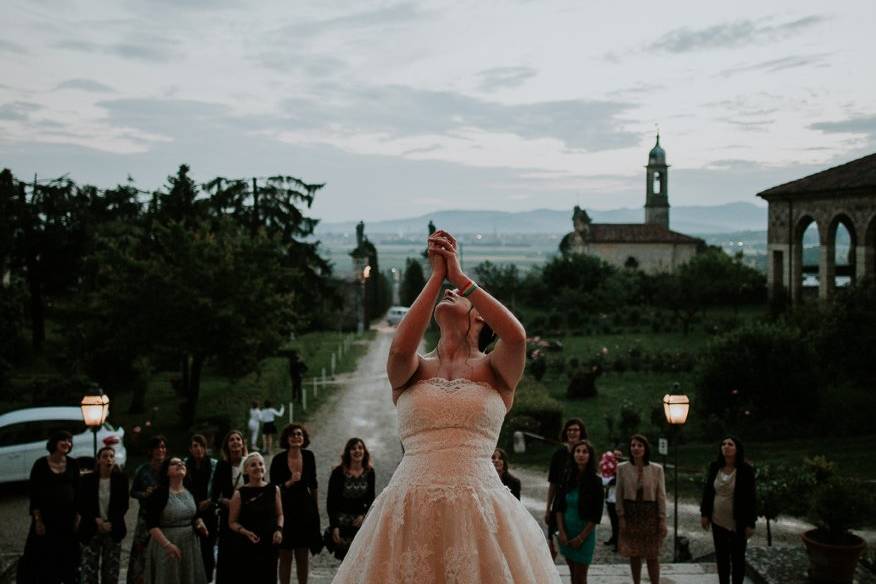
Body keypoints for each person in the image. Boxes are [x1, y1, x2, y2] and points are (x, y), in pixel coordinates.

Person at [331, 229, 561, 583]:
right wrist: (436, 277)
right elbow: (398, 350)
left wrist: (459, 276)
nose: (450, 293)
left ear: (481, 319)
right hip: (409, 507)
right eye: (449, 290)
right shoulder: (415, 368)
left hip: (479, 509)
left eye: (458, 295)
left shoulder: (495, 370)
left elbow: (516, 335)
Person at [20, 430, 81, 584]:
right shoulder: (40, 464)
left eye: (69, 441)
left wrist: (78, 517)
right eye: (64, 440)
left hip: (67, 520)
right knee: (44, 558)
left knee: (67, 558)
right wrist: (38, 520)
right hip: (47, 520)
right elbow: (34, 495)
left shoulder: (73, 464)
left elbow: (79, 492)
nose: (67, 443)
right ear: (54, 443)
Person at [700, 436, 757, 584]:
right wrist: (704, 514)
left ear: (737, 448)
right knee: (722, 557)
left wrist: (751, 523)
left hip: (738, 521)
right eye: (723, 444)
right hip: (717, 519)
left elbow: (752, 497)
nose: (726, 446)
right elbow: (708, 491)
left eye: (730, 444)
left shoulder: (746, 470)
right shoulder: (714, 467)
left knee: (738, 557)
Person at [144, 457, 208, 584]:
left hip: (190, 546)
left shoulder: (191, 491)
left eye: (182, 463)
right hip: (166, 544)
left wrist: (200, 523)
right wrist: (167, 545)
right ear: (166, 472)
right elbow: (151, 524)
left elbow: (195, 515)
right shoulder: (159, 493)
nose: (180, 464)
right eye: (174, 463)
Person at [270, 424, 320, 584]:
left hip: (304, 510)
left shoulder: (309, 456)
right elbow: (273, 488)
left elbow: (313, 484)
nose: (296, 437)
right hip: (285, 510)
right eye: (292, 435)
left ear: (303, 438)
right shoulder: (278, 459)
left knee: (302, 554)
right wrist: (289, 482)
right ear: (286, 438)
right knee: (285, 555)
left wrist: (315, 510)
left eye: (299, 434)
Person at [616, 434, 667, 584]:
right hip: (631, 513)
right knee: (634, 552)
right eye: (633, 445)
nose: (636, 448)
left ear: (645, 448)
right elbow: (619, 494)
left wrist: (662, 519)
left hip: (650, 513)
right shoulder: (622, 468)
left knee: (652, 554)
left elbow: (661, 495)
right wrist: (621, 516)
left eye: (639, 445)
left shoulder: (656, 469)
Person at [227, 453, 283, 584]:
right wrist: (245, 532)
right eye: (253, 465)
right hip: (248, 545)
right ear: (246, 470)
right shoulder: (239, 494)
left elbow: (280, 514)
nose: (258, 467)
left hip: (270, 544)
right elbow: (232, 522)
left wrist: (279, 530)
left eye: (261, 464)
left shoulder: (274, 489)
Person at [79, 446, 129, 584]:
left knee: (111, 570)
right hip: (91, 527)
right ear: (99, 460)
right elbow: (82, 504)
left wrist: (110, 522)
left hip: (113, 528)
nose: (108, 459)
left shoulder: (121, 479)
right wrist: (96, 520)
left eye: (111, 456)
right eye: (105, 456)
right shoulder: (87, 479)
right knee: (89, 570)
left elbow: (123, 506)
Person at [555, 440, 603, 584]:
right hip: (567, 531)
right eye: (578, 451)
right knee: (572, 574)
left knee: (580, 577)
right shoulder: (567, 476)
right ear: (573, 454)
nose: (581, 455)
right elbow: (558, 506)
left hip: (584, 534)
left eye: (585, 452)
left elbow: (596, 514)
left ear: (590, 456)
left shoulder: (596, 482)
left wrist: (581, 538)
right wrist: (561, 531)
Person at [326, 438, 376, 560]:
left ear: (364, 452)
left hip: (360, 525)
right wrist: (334, 526)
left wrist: (364, 516)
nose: (357, 451)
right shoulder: (338, 472)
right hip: (342, 525)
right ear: (348, 452)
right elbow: (331, 502)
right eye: (353, 448)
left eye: (360, 448)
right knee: (345, 565)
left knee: (361, 562)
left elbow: (371, 499)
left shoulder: (370, 472)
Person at [128, 435, 168, 584]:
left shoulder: (168, 468)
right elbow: (133, 492)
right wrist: (144, 494)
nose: (161, 450)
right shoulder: (142, 470)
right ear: (151, 451)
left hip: (164, 517)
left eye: (163, 447)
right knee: (141, 554)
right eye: (158, 447)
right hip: (145, 517)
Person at [545, 418, 587, 557]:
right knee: (553, 544)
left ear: (581, 432)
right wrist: (548, 508)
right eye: (569, 430)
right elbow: (553, 483)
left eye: (575, 430)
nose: (572, 433)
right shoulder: (559, 455)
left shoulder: (586, 453)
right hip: (559, 503)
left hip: (578, 505)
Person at [212, 430, 247, 584]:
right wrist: (226, 502)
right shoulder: (222, 465)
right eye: (231, 440)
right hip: (227, 517)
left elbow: (261, 487)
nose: (235, 442)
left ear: (242, 443)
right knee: (227, 556)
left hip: (248, 516)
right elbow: (214, 494)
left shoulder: (250, 463)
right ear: (227, 445)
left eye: (238, 439)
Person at [184, 435, 218, 582]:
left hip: (209, 509)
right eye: (195, 446)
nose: (198, 449)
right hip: (190, 509)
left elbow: (219, 488)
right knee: (190, 548)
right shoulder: (185, 465)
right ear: (190, 449)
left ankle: (208, 578)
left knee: (207, 548)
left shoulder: (214, 464)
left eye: (201, 446)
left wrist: (210, 501)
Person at [599, 449, 621, 552]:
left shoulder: (620, 467)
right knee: (613, 520)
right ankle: (614, 537)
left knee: (617, 521)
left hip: (617, 498)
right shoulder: (609, 465)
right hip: (610, 497)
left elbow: (616, 481)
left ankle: (618, 542)